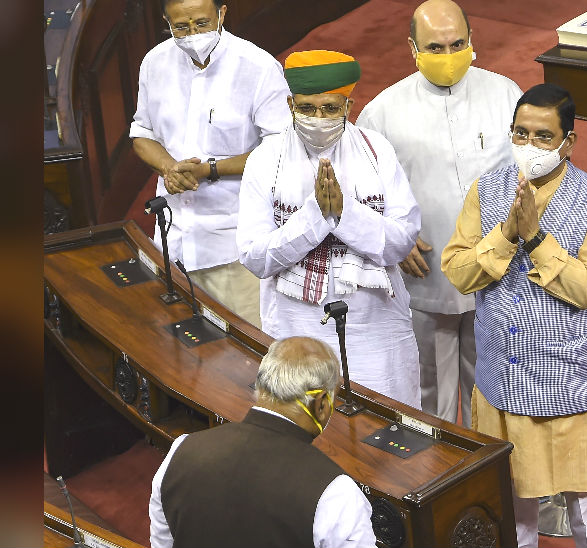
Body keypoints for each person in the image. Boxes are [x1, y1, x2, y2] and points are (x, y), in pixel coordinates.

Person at [442, 83, 587, 548]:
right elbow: (459, 272)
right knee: (512, 510)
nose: (530, 146)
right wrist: (506, 233)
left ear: (569, 142)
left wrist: (535, 238)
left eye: (544, 137)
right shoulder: (486, 192)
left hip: (571, 383)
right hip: (503, 383)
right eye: (521, 133)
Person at [356, 0, 522, 427]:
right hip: (426, 272)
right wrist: (396, 238)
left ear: (472, 41)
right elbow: (363, 192)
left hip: (497, 269)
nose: (448, 57)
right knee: (432, 392)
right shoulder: (382, 112)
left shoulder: (504, 93)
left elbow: (530, 169)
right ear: (412, 48)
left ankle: (490, 479)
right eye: (435, 47)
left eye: (457, 44)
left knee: (493, 390)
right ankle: (440, 482)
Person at [236, 50, 422, 409]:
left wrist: (345, 214)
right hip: (296, 327)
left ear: (348, 106)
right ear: (290, 104)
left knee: (386, 439)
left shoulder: (376, 151)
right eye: (307, 109)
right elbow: (254, 256)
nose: (318, 118)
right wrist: (315, 217)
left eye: (330, 108)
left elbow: (401, 241)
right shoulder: (265, 159)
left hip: (375, 332)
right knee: (307, 435)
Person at [129, 0, 292, 328]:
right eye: (181, 27)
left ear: (222, 13)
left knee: (248, 356)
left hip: (234, 247)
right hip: (171, 239)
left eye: (202, 24)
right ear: (166, 21)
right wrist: (169, 167)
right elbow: (142, 133)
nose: (192, 35)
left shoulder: (257, 67)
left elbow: (282, 149)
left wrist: (210, 170)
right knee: (179, 351)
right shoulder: (154, 63)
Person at [149, 336, 377, 548]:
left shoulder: (181, 450)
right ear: (321, 405)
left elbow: (162, 543)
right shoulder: (336, 493)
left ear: (260, 389)